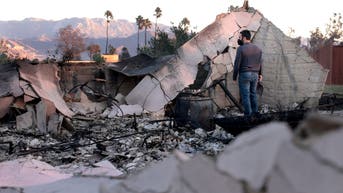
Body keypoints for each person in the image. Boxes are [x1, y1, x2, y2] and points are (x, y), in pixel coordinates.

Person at [233, 30, 263, 116]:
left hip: (245, 74)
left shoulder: (241, 49)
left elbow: (237, 64)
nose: (239, 39)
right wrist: (260, 74)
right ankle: (255, 113)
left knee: (245, 95)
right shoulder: (258, 49)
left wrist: (234, 77)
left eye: (240, 37)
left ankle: (248, 115)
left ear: (244, 37)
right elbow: (260, 62)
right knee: (253, 94)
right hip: (255, 74)